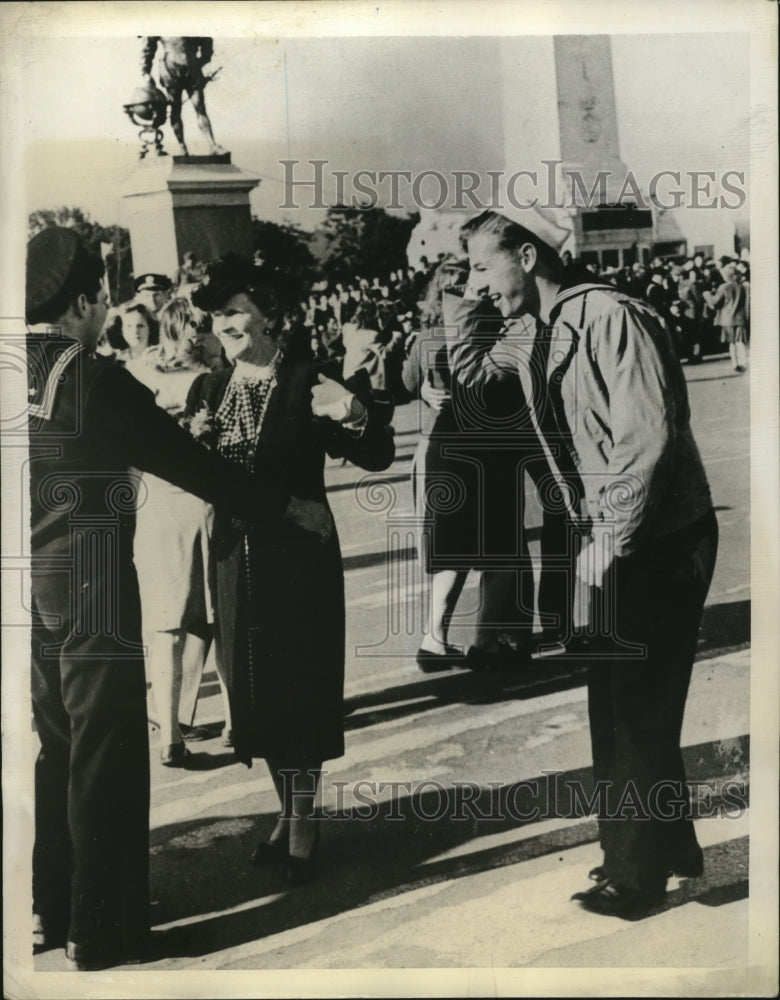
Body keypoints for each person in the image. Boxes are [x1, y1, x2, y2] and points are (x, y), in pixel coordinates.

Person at [25, 228, 331, 969]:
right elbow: (192, 464)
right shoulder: (87, 376)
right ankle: (102, 929)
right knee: (107, 748)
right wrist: (285, 508)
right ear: (89, 299)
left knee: (57, 745)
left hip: (27, 577)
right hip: (91, 572)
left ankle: (51, 906)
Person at [457, 209, 717, 914]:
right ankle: (668, 846)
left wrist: (613, 539)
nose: (477, 283)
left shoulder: (606, 316)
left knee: (633, 704)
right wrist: (464, 310)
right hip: (609, 531)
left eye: (484, 266)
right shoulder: (532, 329)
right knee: (619, 698)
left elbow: (648, 435)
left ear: (529, 256)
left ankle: (634, 878)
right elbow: (474, 393)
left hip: (658, 535)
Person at [187, 254, 394, 883]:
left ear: (270, 316)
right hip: (233, 559)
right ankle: (288, 809)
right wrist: (193, 442)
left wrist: (354, 412)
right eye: (217, 315)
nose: (224, 325)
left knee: (297, 686)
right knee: (253, 691)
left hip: (297, 562)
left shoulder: (307, 379)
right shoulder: (209, 389)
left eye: (235, 313)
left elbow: (379, 454)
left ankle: (304, 820)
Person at [401, 256, 538, 672]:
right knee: (502, 547)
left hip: (442, 444)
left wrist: (426, 386)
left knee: (453, 550)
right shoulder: (493, 325)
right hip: (489, 444)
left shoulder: (427, 334)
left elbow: (406, 383)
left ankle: (434, 639)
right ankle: (486, 642)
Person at [129, 297, 232, 764]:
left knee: (165, 627)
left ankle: (169, 733)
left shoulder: (142, 374)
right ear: (194, 333)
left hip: (154, 506)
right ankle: (236, 721)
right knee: (220, 616)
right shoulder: (211, 381)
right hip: (202, 502)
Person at [140, 36, 225, 156]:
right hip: (170, 71)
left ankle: (213, 145)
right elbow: (148, 47)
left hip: (192, 69)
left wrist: (203, 60)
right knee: (175, 109)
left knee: (200, 108)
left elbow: (207, 41)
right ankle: (182, 148)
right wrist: (145, 71)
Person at [704, 262, 749, 371]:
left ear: (725, 276)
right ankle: (743, 362)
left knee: (731, 342)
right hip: (740, 318)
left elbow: (714, 302)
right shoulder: (743, 287)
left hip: (727, 319)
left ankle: (734, 363)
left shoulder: (723, 287)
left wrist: (707, 294)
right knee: (740, 341)